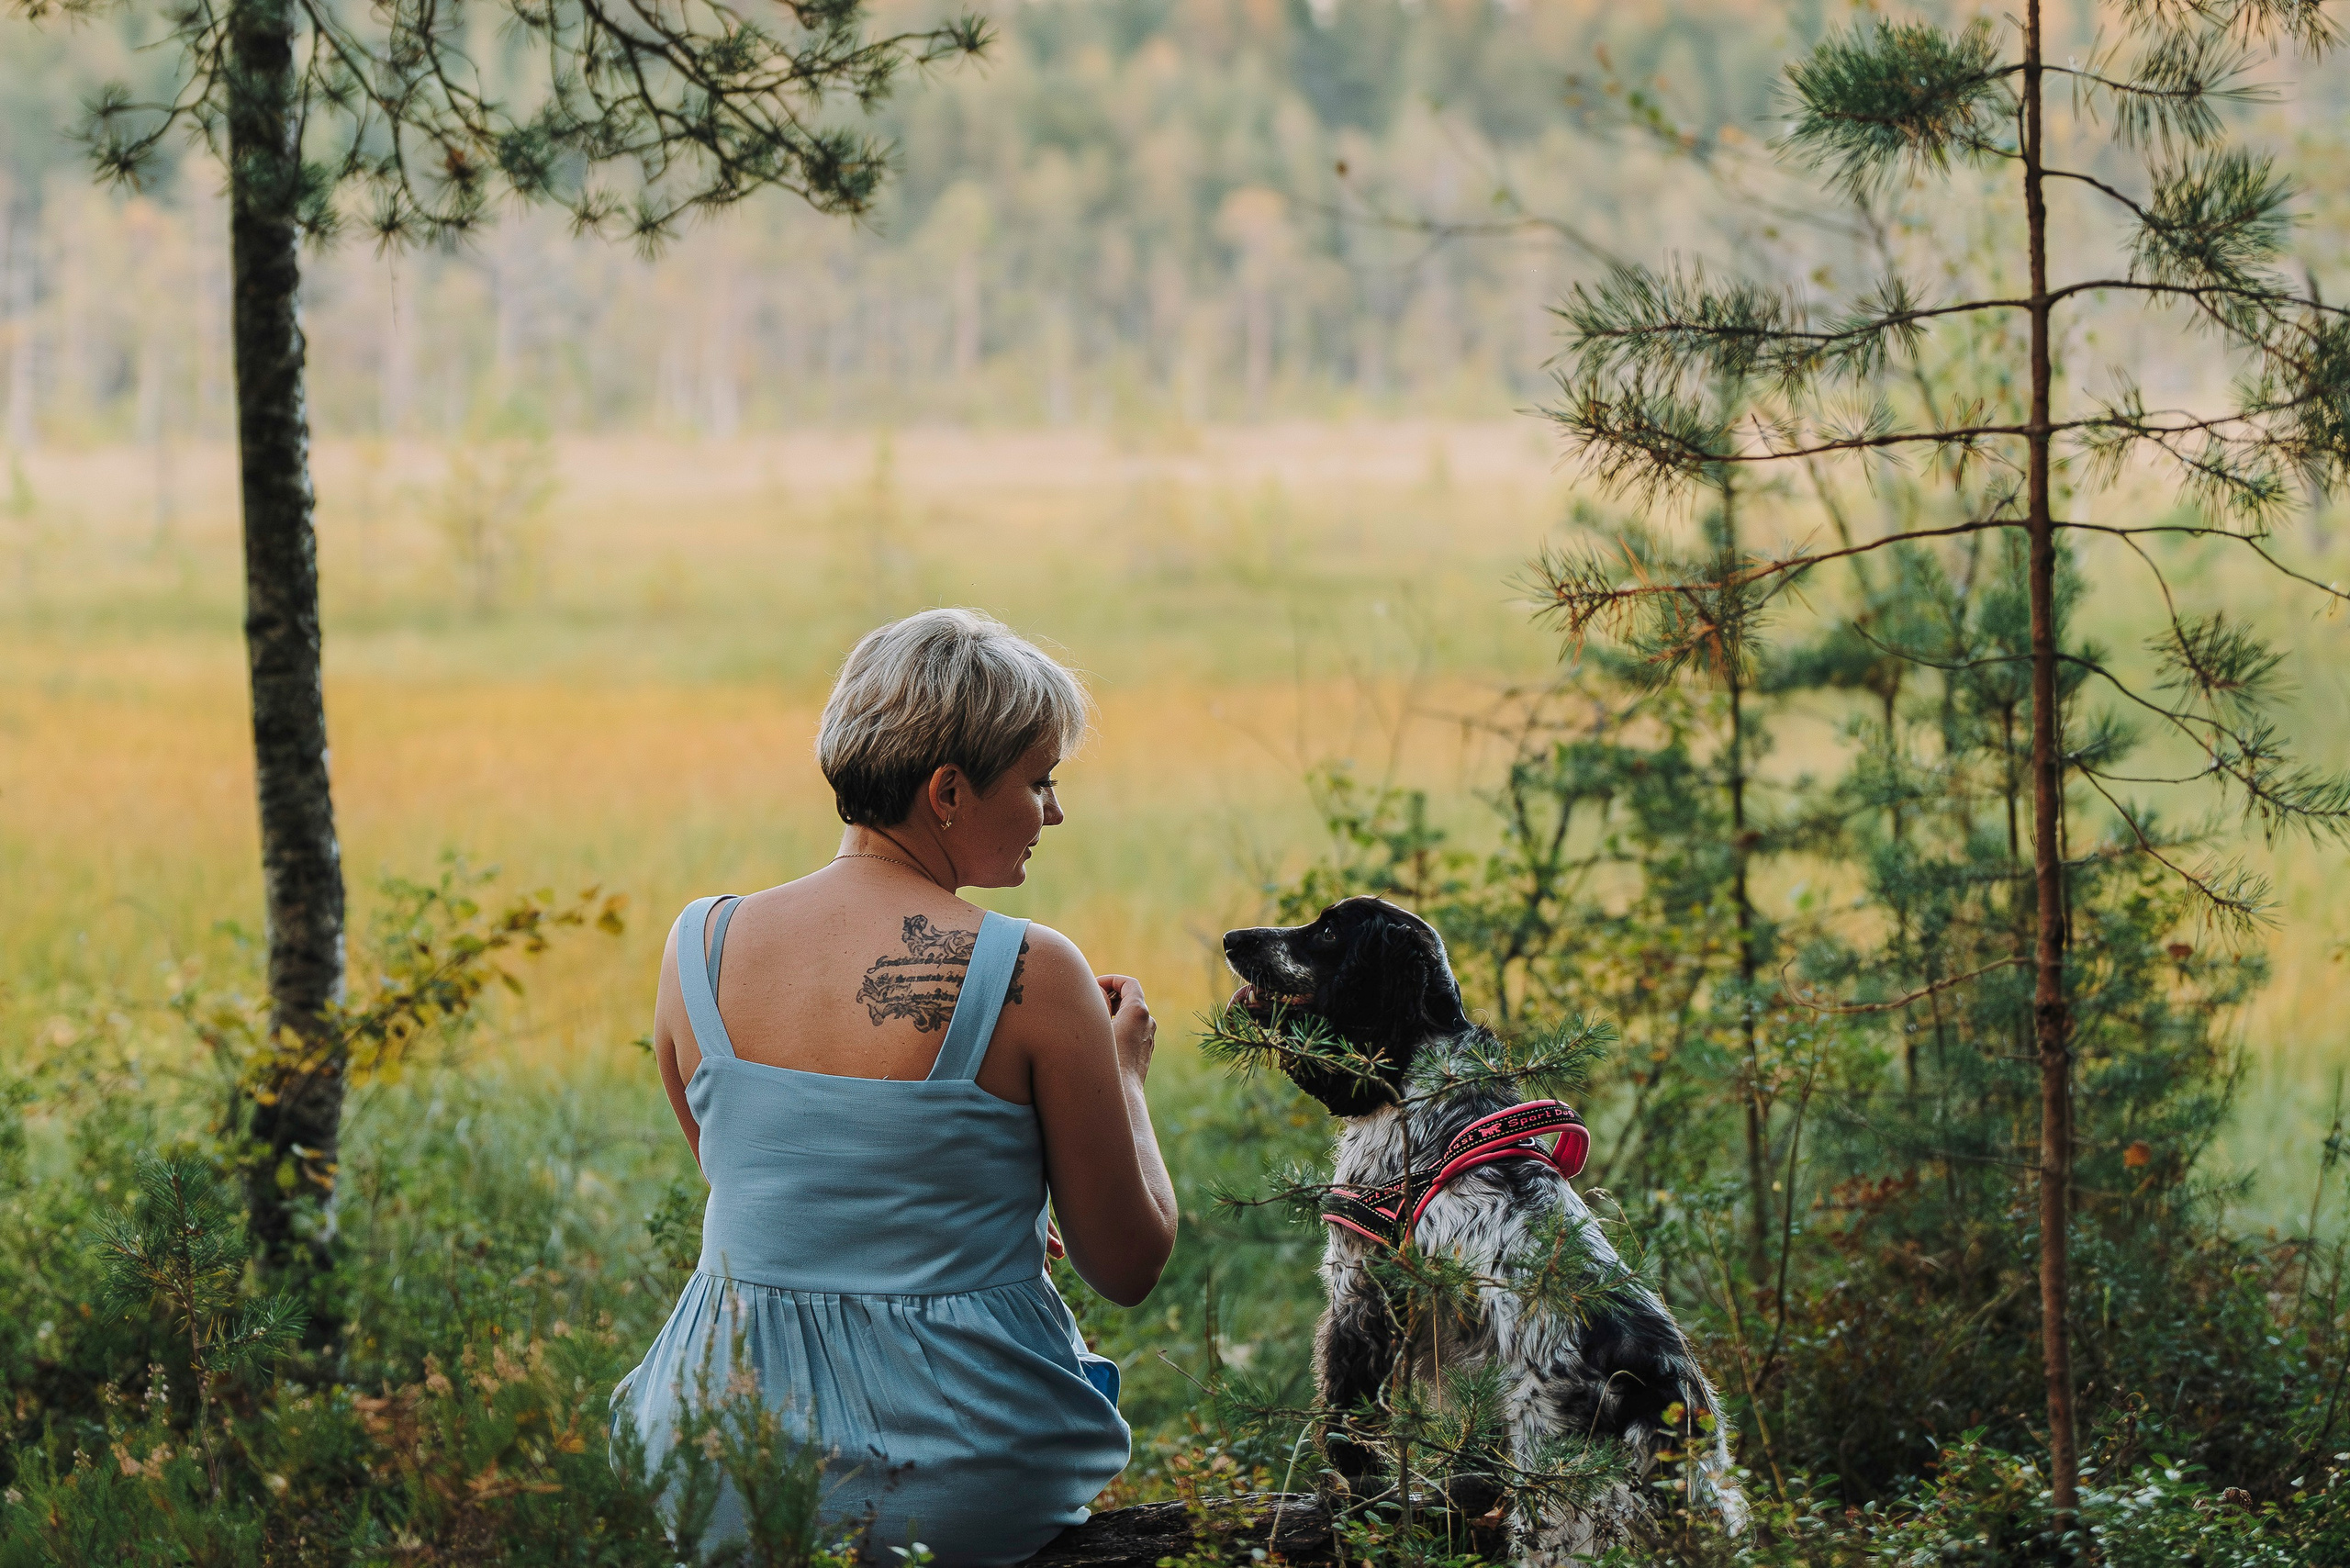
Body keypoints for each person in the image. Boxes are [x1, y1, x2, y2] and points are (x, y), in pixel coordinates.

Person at [613, 609, 1177, 1565]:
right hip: (953, 1474)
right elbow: (1127, 1264)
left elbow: (760, 1179)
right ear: (948, 791)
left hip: (714, 1457)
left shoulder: (696, 944)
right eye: (1038, 781)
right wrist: (1123, 1077)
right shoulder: (1032, 969)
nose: (1053, 811)